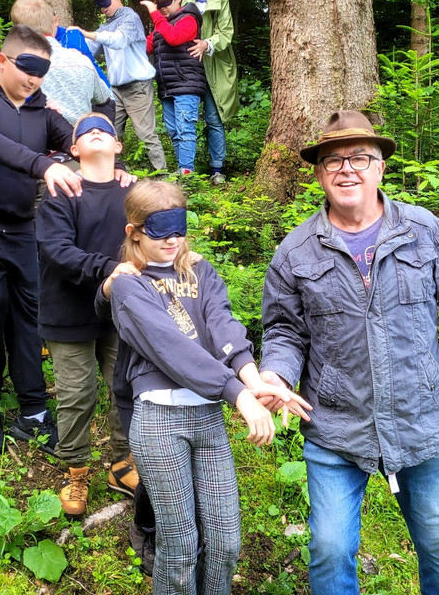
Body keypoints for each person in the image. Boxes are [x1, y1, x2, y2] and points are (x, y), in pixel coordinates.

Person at [259, 111, 439, 595]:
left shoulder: (423, 230)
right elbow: (284, 332)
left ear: (380, 168)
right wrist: (276, 375)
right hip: (336, 426)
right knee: (330, 549)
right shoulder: (296, 252)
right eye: (333, 160)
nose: (346, 169)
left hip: (419, 421)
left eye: (360, 157)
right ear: (318, 174)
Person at [98, 180, 310, 595]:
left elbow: (224, 328)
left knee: (226, 542)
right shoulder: (127, 286)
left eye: (179, 231)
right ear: (134, 231)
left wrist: (257, 381)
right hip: (159, 422)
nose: (173, 241)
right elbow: (172, 350)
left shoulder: (201, 270)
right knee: (178, 545)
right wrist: (239, 396)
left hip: (207, 418)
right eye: (162, 233)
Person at [0, 24, 121, 455]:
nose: (34, 78)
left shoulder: (43, 111)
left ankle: (33, 410)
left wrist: (112, 167)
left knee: (28, 315)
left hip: (19, 224)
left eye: (42, 71)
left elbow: (80, 140)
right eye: (27, 68)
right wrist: (43, 165)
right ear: (1, 59)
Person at [36, 113, 139, 516]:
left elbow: (152, 237)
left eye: (106, 130)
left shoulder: (133, 193)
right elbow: (56, 250)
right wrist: (108, 269)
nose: (96, 131)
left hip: (120, 314)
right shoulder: (62, 191)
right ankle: (76, 469)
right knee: (78, 395)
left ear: (117, 147)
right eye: (85, 132)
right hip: (68, 313)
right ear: (73, 149)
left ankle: (121, 463)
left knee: (123, 388)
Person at [72, 0, 168, 172]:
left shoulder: (130, 18)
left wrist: (89, 33)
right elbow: (88, 49)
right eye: (98, 3)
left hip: (137, 87)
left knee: (146, 135)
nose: (102, 6)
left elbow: (118, 40)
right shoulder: (106, 25)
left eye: (104, 0)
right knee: (109, 133)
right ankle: (110, 173)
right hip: (115, 90)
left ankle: (164, 176)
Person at [10, 0, 114, 125]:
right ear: (54, 21)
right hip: (78, 138)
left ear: (17, 30)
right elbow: (104, 100)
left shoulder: (12, 67)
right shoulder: (82, 60)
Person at [181, 0, 238, 184]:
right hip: (187, 65)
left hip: (215, 64)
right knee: (187, 117)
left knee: (214, 118)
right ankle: (187, 170)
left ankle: (217, 169)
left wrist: (207, 43)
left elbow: (226, 32)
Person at [142, 0, 206, 176]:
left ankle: (186, 173)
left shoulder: (188, 18)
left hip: (186, 83)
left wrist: (154, 14)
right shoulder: (161, 25)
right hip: (167, 86)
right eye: (157, 5)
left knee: (185, 128)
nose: (161, 8)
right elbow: (146, 46)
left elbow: (174, 37)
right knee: (173, 130)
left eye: (165, 3)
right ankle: (183, 170)